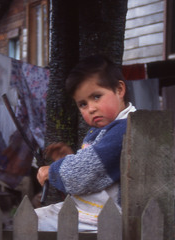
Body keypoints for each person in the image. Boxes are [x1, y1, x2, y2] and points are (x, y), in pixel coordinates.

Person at [36, 54, 136, 232]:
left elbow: (84, 174)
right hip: (92, 213)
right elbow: (95, 171)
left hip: (106, 217)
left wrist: (52, 171)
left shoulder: (124, 128)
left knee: (31, 222)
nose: (91, 108)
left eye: (97, 97)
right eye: (82, 104)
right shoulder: (105, 130)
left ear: (120, 90)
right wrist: (70, 159)